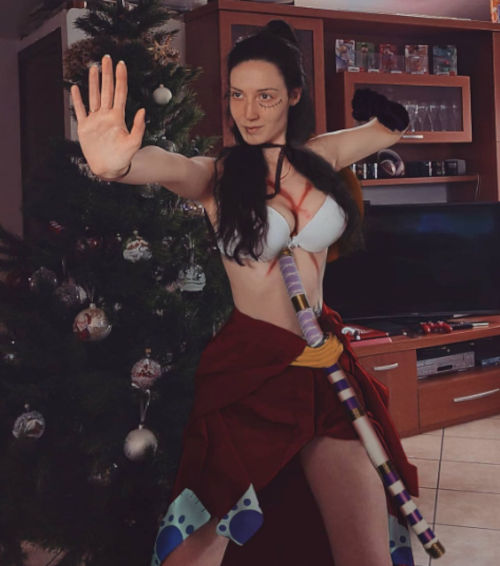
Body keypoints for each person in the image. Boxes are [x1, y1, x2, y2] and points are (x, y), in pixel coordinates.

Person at [71, 20, 417, 566]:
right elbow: (171, 166)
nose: (248, 112)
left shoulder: (321, 158)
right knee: (199, 547)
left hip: (323, 370)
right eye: (237, 95)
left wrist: (384, 112)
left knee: (364, 552)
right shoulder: (218, 176)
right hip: (252, 374)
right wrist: (119, 165)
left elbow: (387, 130)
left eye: (265, 96)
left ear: (294, 96)